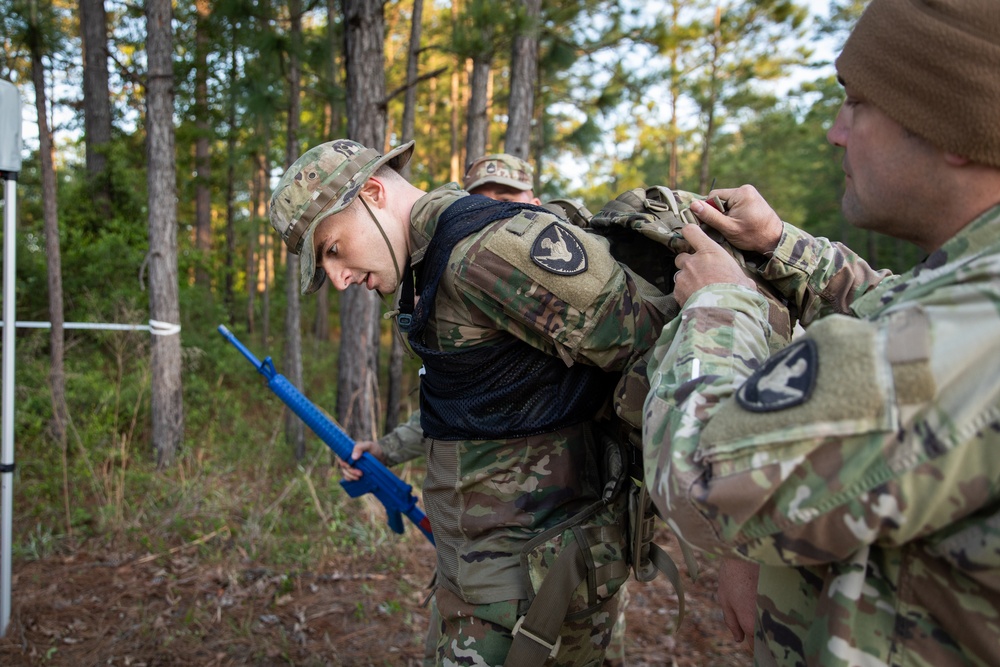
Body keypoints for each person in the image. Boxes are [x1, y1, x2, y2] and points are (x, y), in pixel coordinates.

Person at [642, 1, 1000, 665]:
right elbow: (891, 302)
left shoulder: (977, 329)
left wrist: (722, 303)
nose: (837, 132)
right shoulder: (973, 283)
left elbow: (708, 474)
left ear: (956, 124)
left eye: (857, 103)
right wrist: (778, 244)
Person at [270, 140, 673, 665]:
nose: (339, 279)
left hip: (535, 583)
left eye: (332, 250)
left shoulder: (485, 252)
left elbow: (659, 345)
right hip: (482, 572)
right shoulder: (431, 264)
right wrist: (389, 449)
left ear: (371, 192)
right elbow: (476, 401)